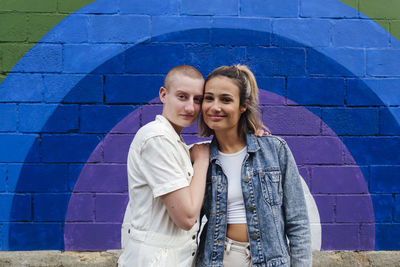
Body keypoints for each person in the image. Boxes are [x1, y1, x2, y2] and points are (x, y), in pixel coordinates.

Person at [195, 65, 312, 267]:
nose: (215, 107)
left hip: (271, 261)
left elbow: (298, 222)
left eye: (226, 99)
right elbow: (188, 224)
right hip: (220, 260)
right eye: (208, 98)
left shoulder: (275, 150)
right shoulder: (199, 158)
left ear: (243, 105)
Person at [118, 65, 210, 267]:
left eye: (198, 99)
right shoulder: (156, 139)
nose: (190, 107)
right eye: (182, 96)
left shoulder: (174, 142)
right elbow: (186, 218)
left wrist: (251, 136)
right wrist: (202, 161)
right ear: (163, 94)